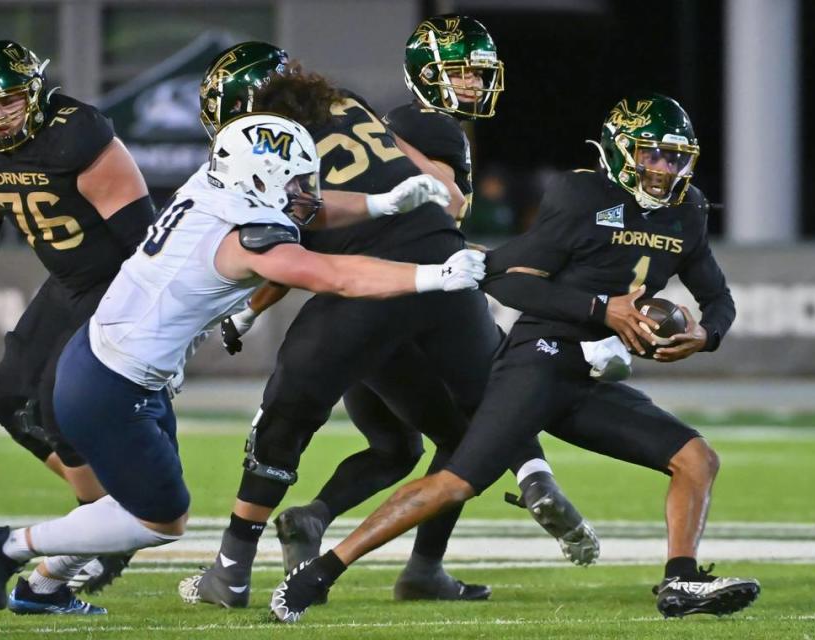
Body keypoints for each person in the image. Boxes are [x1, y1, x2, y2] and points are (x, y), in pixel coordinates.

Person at [268, 94, 762, 623]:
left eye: (674, 157)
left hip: (590, 376)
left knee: (696, 459)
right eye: (651, 154)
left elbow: (718, 297)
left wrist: (707, 335)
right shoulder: (582, 195)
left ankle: (680, 581)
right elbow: (504, 276)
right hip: (540, 360)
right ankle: (317, 574)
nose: (664, 168)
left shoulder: (687, 211)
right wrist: (600, 309)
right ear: (620, 152)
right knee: (456, 482)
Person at [0, 111, 486, 614]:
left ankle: (44, 587)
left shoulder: (212, 184)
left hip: (109, 363)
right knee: (160, 520)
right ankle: (8, 547)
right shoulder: (247, 238)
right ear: (263, 180)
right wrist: (431, 276)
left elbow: (310, 208)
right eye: (297, 182)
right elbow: (337, 276)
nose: (307, 192)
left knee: (137, 500)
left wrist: (380, 203)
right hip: (111, 385)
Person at [182, 42, 595, 610]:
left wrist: (243, 307)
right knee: (480, 419)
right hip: (443, 270)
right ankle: (516, 488)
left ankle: (231, 568)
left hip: (369, 283)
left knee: (286, 416)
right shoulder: (349, 103)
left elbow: (295, 227)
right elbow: (443, 195)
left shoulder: (262, 140)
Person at [0, 40, 156, 611]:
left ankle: (104, 528)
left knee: (59, 404)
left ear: (37, 93)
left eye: (9, 102)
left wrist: (161, 332)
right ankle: (103, 522)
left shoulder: (79, 137)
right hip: (66, 283)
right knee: (9, 400)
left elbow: (148, 249)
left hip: (119, 282)